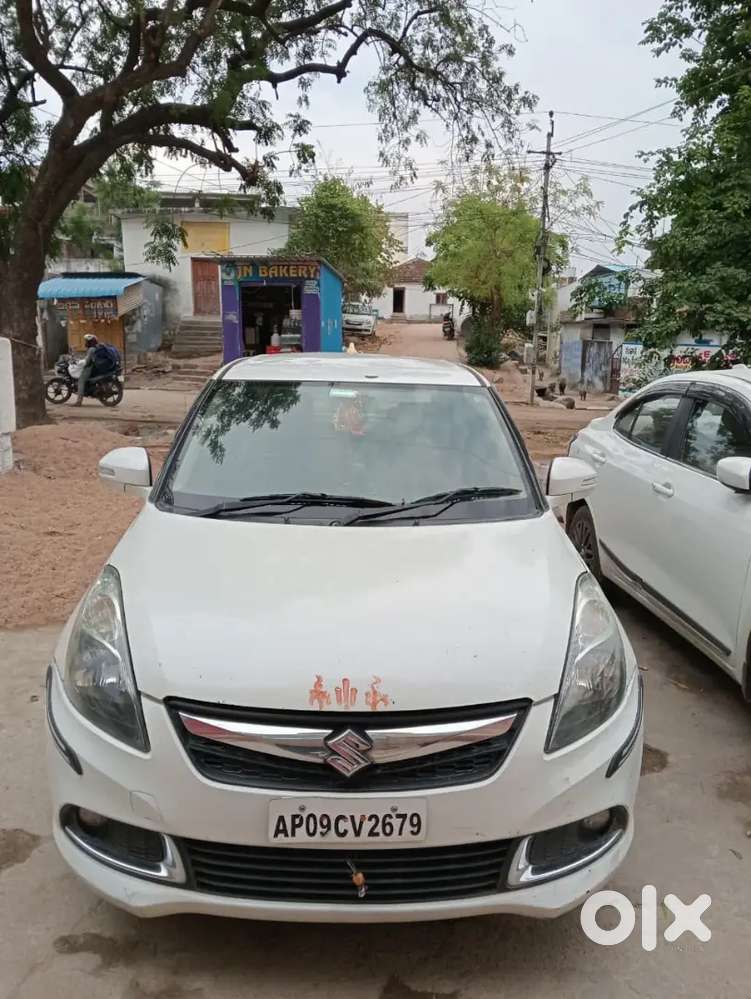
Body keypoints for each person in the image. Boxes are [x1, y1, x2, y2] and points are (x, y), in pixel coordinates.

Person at [74, 334, 99, 406]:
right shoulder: (93, 348)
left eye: (87, 341)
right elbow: (87, 359)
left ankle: (79, 401)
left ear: (90, 342)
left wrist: (80, 363)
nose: (85, 343)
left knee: (80, 381)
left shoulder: (91, 349)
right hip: (92, 367)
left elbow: (87, 361)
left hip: (89, 368)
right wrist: (81, 360)